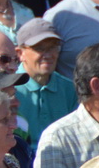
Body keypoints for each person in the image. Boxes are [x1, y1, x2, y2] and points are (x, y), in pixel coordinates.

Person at [13, 18, 77, 148]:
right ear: (20, 53)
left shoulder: (70, 89)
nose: (48, 55)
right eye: (40, 48)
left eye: (53, 48)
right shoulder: (9, 89)